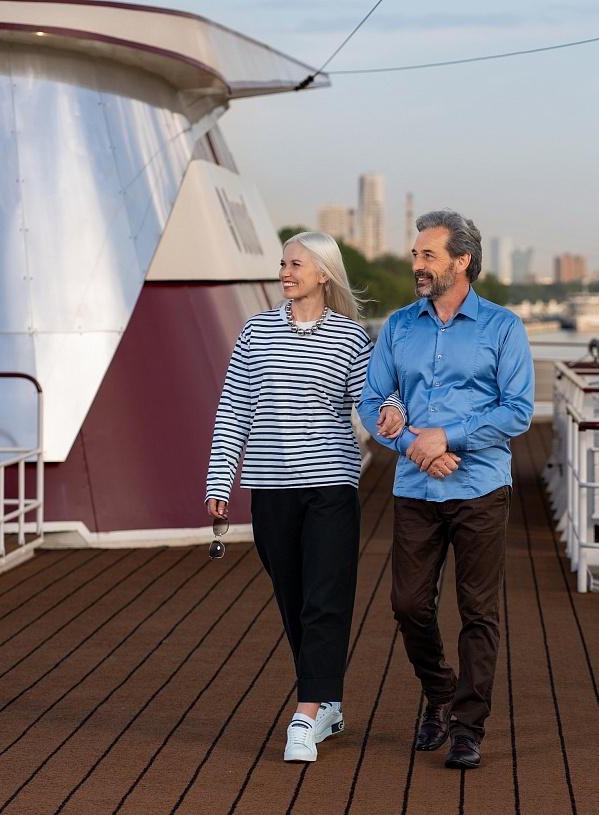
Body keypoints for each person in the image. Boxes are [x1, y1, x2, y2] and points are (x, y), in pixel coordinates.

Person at [206, 231, 393, 763]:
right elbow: (234, 408)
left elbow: (371, 401)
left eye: (296, 264)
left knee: (324, 599)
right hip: (270, 488)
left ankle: (304, 716)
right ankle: (327, 700)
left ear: (323, 274)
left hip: (331, 485)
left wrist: (400, 416)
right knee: (294, 599)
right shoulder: (256, 331)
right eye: (283, 263)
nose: (285, 272)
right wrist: (220, 480)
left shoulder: (351, 337)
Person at [358, 209, 534, 770]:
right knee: (408, 605)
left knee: (478, 611)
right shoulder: (398, 327)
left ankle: (466, 726)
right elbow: (372, 400)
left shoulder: (503, 327)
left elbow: (518, 410)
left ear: (462, 261)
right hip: (416, 487)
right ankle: (440, 692)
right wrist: (416, 445)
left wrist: (448, 436)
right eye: (416, 254)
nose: (417, 263)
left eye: (428, 254)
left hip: (480, 488)